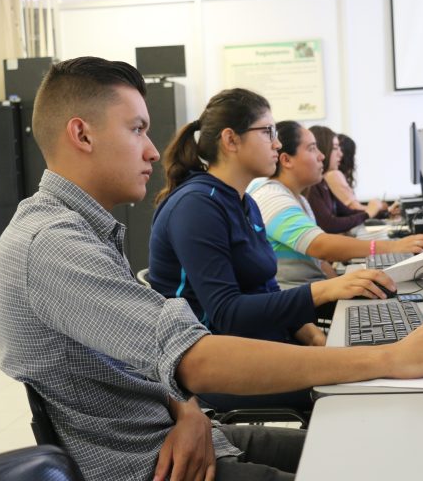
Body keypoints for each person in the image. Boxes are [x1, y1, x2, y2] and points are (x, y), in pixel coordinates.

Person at [0, 56, 423, 481]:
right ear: (82, 134)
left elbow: (149, 354)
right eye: (137, 129)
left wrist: (187, 409)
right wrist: (389, 358)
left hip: (183, 432)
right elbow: (198, 357)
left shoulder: (83, 230)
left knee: (382, 456)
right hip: (154, 467)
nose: (151, 150)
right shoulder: (51, 245)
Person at [148, 88, 397, 411]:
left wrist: (311, 336)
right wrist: (323, 291)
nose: (277, 144)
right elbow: (227, 314)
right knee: (372, 378)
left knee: (375, 358)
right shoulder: (197, 206)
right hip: (218, 368)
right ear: (231, 140)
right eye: (268, 132)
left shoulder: (245, 202)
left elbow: (266, 288)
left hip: (260, 345)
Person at [249, 121, 423, 289]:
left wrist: (344, 287)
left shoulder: (299, 199)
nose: (322, 156)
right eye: (312, 149)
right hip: (295, 301)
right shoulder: (271, 196)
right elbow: (321, 246)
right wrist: (391, 247)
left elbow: (320, 261)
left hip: (310, 292)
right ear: (287, 160)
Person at [306, 125, 381, 233]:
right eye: (335, 148)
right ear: (323, 149)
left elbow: (346, 212)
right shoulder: (311, 186)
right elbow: (329, 224)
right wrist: (368, 213)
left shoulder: (322, 182)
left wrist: (382, 212)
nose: (340, 154)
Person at [326, 133, 396, 216]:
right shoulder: (334, 175)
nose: (340, 154)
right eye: (335, 148)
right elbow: (354, 208)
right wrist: (381, 208)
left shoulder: (333, 175)